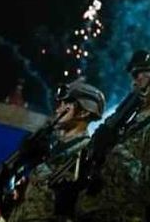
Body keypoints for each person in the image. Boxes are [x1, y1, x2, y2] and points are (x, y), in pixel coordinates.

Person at [74, 50, 150, 222]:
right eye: (135, 76)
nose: (135, 81)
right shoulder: (128, 122)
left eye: (143, 75)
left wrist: (117, 150)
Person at [7, 80, 103, 222]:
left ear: (83, 112)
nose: (58, 109)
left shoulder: (86, 154)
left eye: (66, 105)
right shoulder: (49, 147)